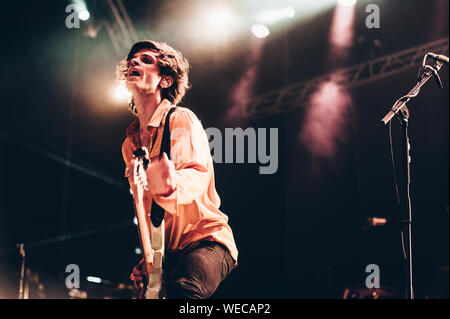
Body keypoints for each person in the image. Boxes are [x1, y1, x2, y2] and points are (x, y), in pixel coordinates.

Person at [118, 40, 238, 299]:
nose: (134, 62)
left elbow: (196, 174)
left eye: (146, 60)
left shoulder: (180, 118)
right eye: (133, 60)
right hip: (168, 254)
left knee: (184, 293)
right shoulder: (130, 144)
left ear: (166, 80)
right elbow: (147, 212)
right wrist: (151, 258)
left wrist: (170, 185)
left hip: (206, 241)